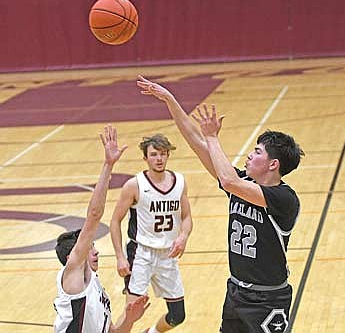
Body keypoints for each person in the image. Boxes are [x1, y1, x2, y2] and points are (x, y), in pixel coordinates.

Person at [137, 75, 304, 332]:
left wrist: (214, 138)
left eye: (257, 152)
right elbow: (197, 142)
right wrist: (170, 100)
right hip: (236, 291)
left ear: (273, 164)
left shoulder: (284, 199)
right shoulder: (243, 183)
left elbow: (228, 180)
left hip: (268, 299)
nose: (250, 154)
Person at [54, 125, 150, 332]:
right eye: (90, 247)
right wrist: (108, 165)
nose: (96, 251)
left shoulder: (95, 286)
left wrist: (130, 320)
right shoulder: (72, 276)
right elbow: (94, 216)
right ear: (74, 255)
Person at [109, 133, 193, 333]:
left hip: (168, 255)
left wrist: (183, 236)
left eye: (163, 154)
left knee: (177, 316)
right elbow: (114, 221)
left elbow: (187, 216)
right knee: (132, 311)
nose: (159, 159)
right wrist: (120, 257)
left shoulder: (179, 182)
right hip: (141, 254)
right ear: (145, 158)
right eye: (154, 154)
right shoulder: (134, 185)